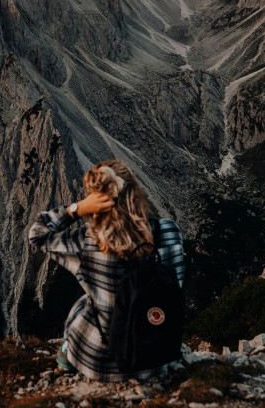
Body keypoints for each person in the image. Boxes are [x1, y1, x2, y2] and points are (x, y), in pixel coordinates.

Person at [28, 159, 185, 382]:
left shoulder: (88, 241)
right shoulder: (169, 231)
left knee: (85, 301)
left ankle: (66, 358)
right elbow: (175, 285)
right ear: (135, 191)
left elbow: (38, 233)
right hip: (157, 357)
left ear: (98, 201)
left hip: (100, 362)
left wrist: (78, 209)